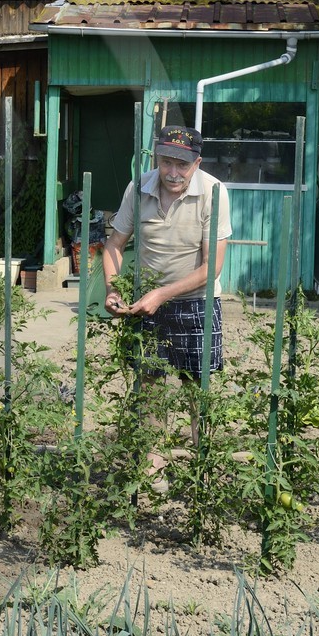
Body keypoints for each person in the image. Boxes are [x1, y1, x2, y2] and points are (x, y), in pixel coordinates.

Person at [100, 124, 231, 485]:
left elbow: (212, 267)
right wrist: (113, 289)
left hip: (195, 301)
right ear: (157, 158)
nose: (173, 172)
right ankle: (154, 468)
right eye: (166, 162)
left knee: (196, 386)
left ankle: (203, 469)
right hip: (147, 303)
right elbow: (113, 246)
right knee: (152, 385)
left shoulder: (213, 192)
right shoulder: (138, 187)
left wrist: (162, 294)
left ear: (197, 162)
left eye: (182, 165)